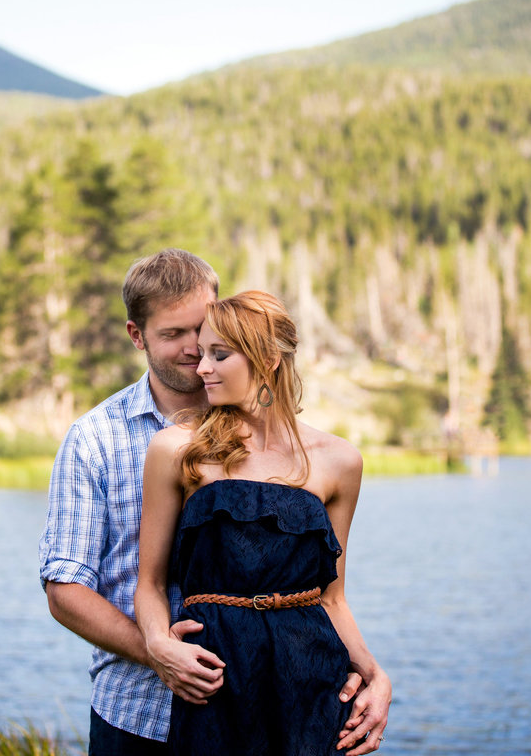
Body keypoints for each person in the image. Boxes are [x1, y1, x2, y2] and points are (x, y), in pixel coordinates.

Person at [135, 290, 392, 756]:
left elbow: (332, 599)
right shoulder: (176, 449)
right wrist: (158, 642)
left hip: (311, 674)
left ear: (269, 359)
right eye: (202, 354)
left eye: (220, 354)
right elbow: (149, 584)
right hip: (216, 675)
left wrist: (376, 675)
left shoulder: (340, 462)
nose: (202, 368)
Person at [39, 248, 223, 754]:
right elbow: (65, 589)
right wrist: (159, 653)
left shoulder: (258, 428)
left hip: (254, 715)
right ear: (136, 336)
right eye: (172, 334)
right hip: (137, 717)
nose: (194, 348)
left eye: (201, 327)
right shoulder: (93, 439)